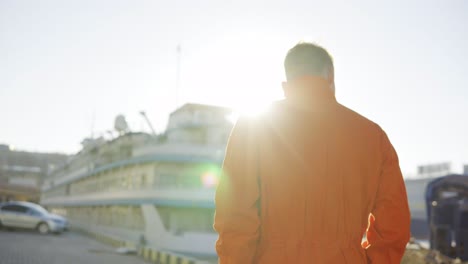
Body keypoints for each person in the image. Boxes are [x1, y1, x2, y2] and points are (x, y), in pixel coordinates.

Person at [213, 42, 411, 263]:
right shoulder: (373, 137)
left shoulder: (255, 126)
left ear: (287, 80)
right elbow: (394, 225)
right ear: (330, 75)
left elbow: (235, 216)